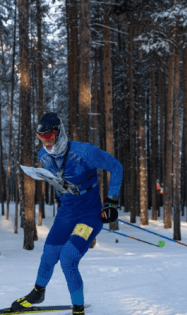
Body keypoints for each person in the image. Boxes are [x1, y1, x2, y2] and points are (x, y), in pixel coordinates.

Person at [11, 112, 123, 315]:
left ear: (59, 132)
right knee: (49, 254)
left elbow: (116, 167)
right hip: (67, 212)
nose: (45, 142)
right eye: (41, 137)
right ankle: (38, 292)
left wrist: (111, 202)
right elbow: (55, 179)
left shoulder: (84, 152)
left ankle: (78, 310)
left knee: (68, 258)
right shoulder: (43, 156)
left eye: (49, 136)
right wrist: (59, 195)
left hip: (89, 214)